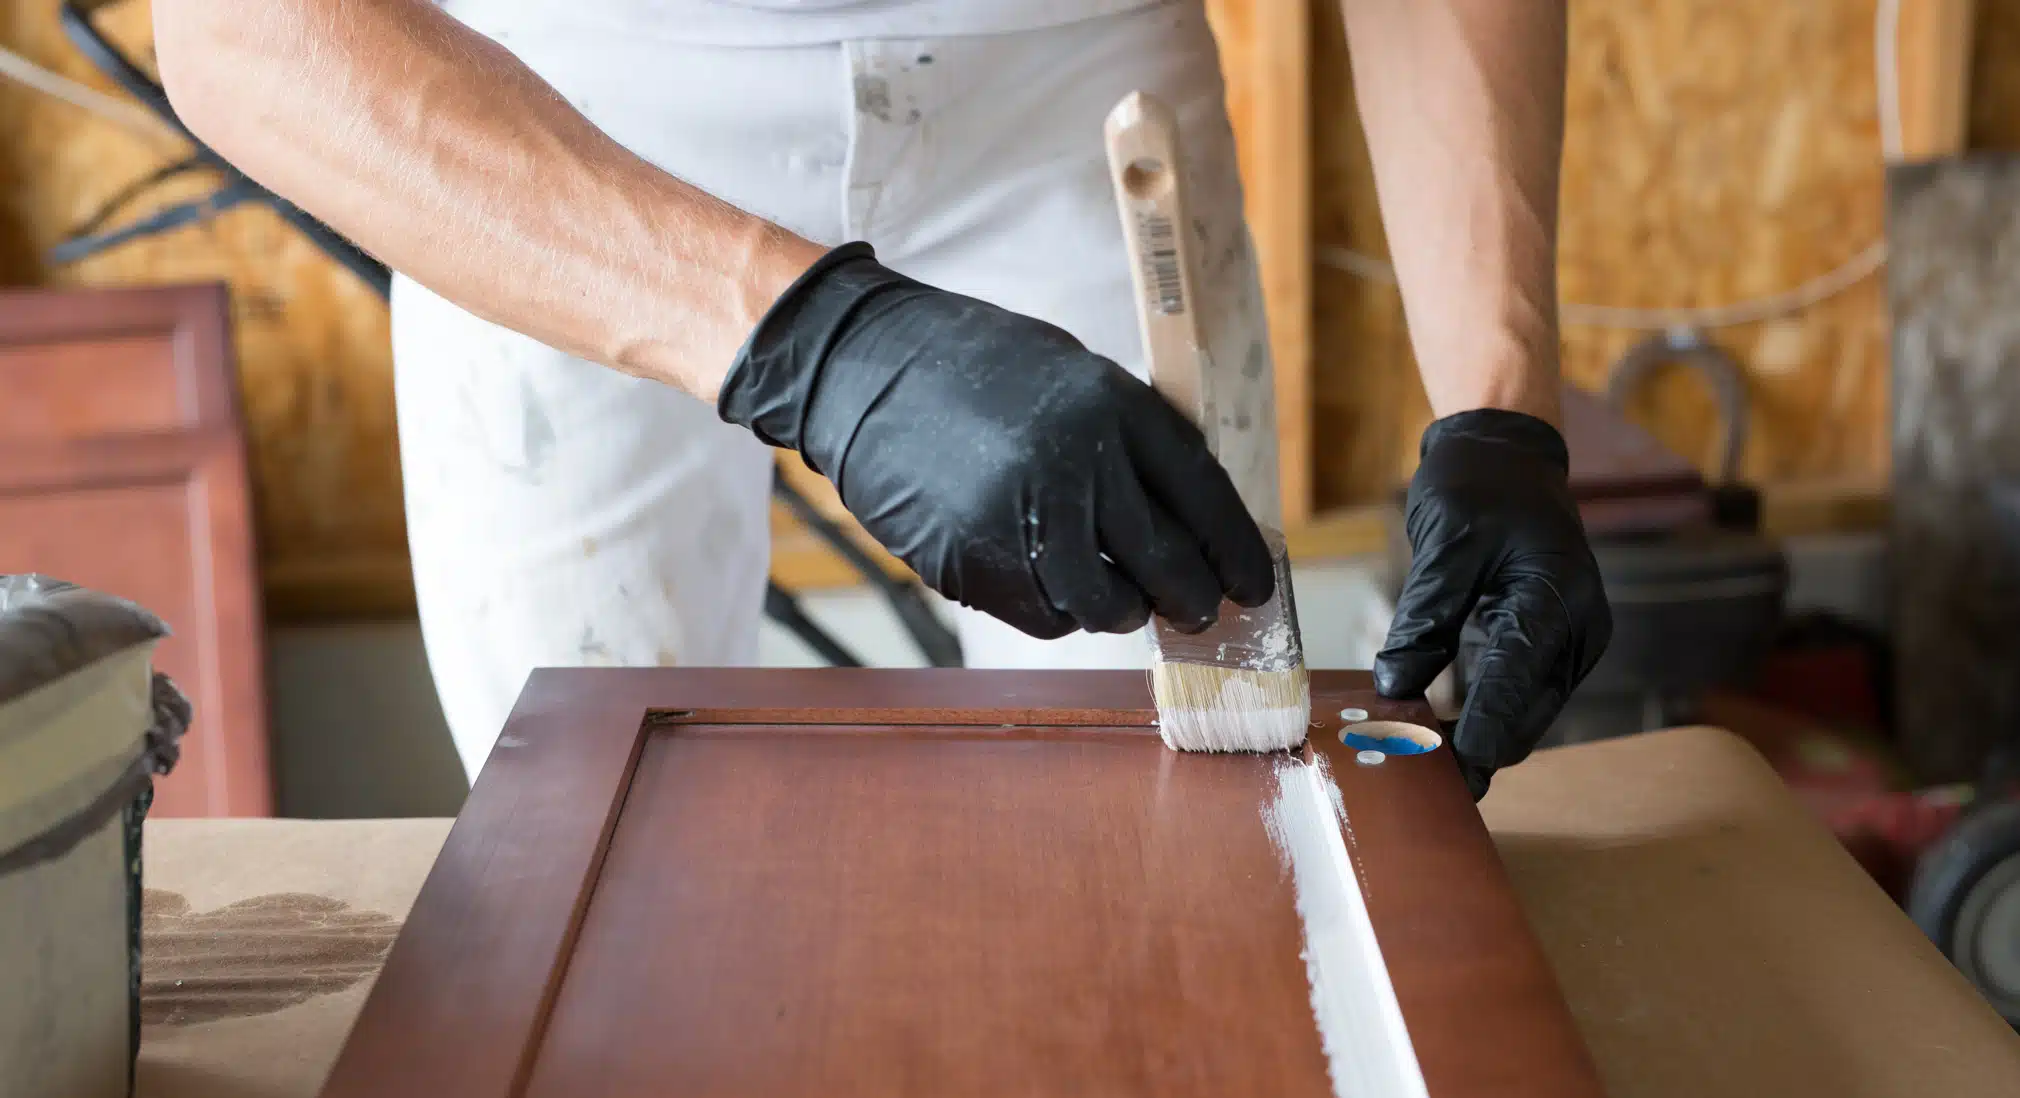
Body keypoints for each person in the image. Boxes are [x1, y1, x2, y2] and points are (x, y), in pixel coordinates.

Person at [155, 0, 1609, 798]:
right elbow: (234, 30)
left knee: (1190, 798)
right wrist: (816, 344)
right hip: (541, 125)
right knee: (578, 816)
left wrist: (1500, 408)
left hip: (1078, 99)